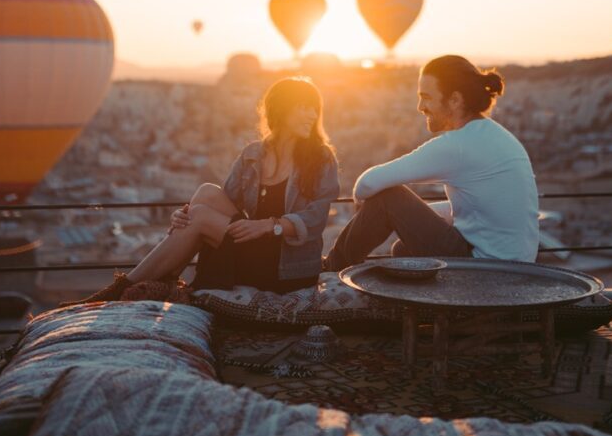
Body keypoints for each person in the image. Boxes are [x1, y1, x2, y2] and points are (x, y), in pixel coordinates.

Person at [62, 76, 340, 305]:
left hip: (286, 265)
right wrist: (183, 218)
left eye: (315, 108)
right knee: (205, 193)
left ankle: (121, 290)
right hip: (251, 247)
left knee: (202, 216)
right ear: (281, 109)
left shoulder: (320, 158)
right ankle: (160, 279)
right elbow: (222, 202)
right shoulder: (253, 154)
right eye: (304, 107)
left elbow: (316, 218)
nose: (312, 115)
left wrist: (271, 226)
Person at [325, 55, 539, 270]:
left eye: (426, 97)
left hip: (484, 270)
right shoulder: (496, 136)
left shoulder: (457, 145)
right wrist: (415, 213)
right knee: (403, 250)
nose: (420, 106)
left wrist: (365, 203)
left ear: (455, 100)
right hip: (516, 269)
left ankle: (331, 269)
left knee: (387, 197)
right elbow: (482, 207)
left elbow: (368, 183)